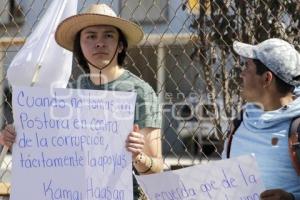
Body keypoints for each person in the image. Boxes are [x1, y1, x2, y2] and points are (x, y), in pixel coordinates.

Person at [1, 4, 163, 199]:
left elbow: (156, 171)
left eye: (109, 35)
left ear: (121, 45)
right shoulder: (69, 93)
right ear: (80, 45)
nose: (100, 43)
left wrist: (138, 157)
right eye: (91, 36)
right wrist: (17, 136)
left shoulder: (141, 93)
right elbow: (50, 148)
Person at [223, 38, 300, 199]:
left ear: (266, 79)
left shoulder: (296, 129)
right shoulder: (240, 121)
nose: (241, 74)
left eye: (247, 67)